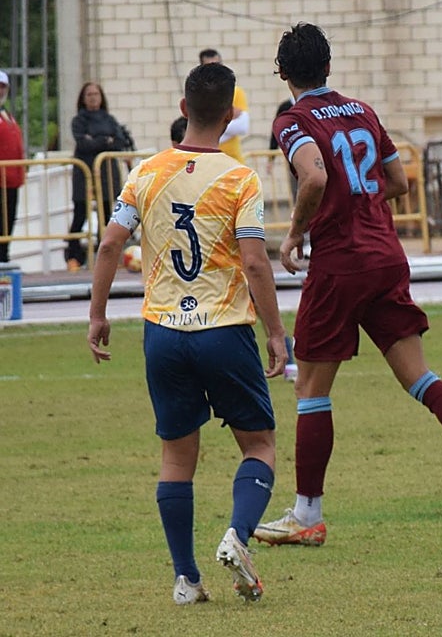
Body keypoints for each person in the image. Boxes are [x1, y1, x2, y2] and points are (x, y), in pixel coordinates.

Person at [255, 23, 442, 545]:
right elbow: (397, 182)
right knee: (420, 378)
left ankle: (307, 515)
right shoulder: (362, 111)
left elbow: (313, 176)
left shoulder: (293, 119)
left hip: (339, 263)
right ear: (329, 67)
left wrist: (295, 233)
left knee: (311, 390)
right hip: (385, 256)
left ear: (283, 74)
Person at [87, 62, 288, 604]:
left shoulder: (146, 172)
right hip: (223, 331)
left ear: (183, 111)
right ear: (228, 117)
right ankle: (238, 537)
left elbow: (109, 246)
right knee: (261, 445)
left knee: (176, 458)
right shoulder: (240, 178)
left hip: (163, 334)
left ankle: (185, 579)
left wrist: (98, 314)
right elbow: (255, 262)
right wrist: (275, 330)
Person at [65, 82, 134, 271]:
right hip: (85, 172)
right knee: (80, 214)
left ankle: (103, 255)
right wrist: (106, 140)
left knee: (106, 215)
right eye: (89, 94)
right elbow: (83, 144)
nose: (93, 97)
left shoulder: (109, 119)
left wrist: (96, 140)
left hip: (106, 173)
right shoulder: (79, 120)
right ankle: (73, 256)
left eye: (96, 94)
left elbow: (119, 141)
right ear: (83, 98)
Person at [200, 49, 250, 164]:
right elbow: (201, 127)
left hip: (233, 159)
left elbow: (243, 126)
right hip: (208, 160)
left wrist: (213, 120)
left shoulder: (236, 92)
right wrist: (228, 116)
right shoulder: (199, 95)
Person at [0, 70, 23, 264]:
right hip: (1, 178)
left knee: (8, 221)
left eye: (2, 87)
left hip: (11, 179)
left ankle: (4, 256)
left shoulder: (7, 114)